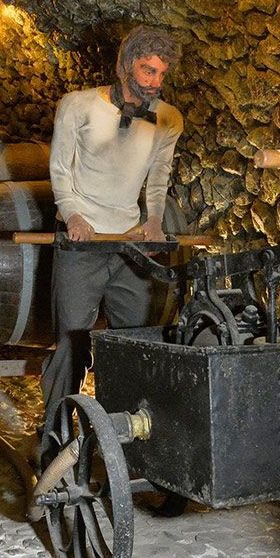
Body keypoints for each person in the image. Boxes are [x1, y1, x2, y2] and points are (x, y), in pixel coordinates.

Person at [40, 24, 183, 449]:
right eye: (146, 70)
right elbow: (60, 169)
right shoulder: (78, 105)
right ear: (124, 67)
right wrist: (72, 215)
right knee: (72, 343)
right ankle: (55, 439)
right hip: (81, 243)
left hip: (128, 244)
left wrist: (153, 219)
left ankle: (129, 439)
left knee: (134, 341)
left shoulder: (168, 118)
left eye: (161, 73)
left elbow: (159, 177)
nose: (155, 81)